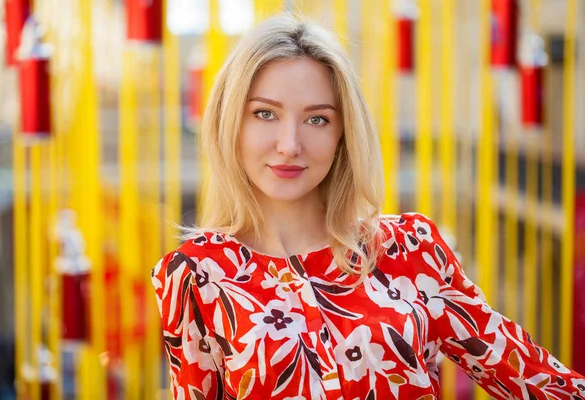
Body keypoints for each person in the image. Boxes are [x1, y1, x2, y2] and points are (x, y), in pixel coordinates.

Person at [151, 14, 585, 400]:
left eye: (317, 119)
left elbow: (533, 378)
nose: (289, 145)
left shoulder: (412, 251)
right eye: (265, 114)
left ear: (343, 134)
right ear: (231, 122)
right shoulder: (194, 276)